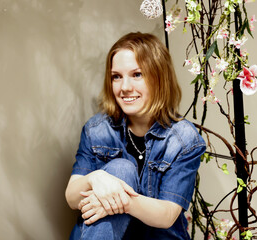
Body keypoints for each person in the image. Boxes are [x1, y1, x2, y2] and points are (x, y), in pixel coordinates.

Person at [65, 32, 206, 240]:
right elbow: (71, 197)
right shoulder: (97, 130)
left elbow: (167, 215)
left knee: (119, 170)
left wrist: (118, 199)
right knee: (119, 169)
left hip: (158, 237)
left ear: (159, 77)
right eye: (116, 76)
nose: (124, 87)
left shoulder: (184, 139)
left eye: (137, 74)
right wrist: (97, 179)